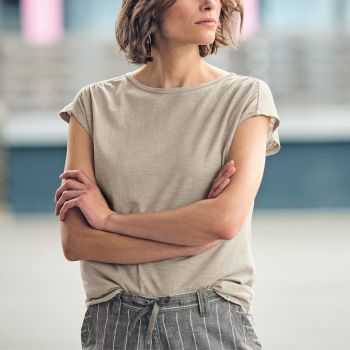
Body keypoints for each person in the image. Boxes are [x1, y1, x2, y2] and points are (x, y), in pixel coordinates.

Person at [55, 0, 281, 349]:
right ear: (150, 7)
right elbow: (77, 242)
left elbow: (223, 222)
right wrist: (191, 236)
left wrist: (109, 219)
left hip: (210, 320)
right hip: (114, 323)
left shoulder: (246, 98)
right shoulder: (93, 105)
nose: (211, 4)